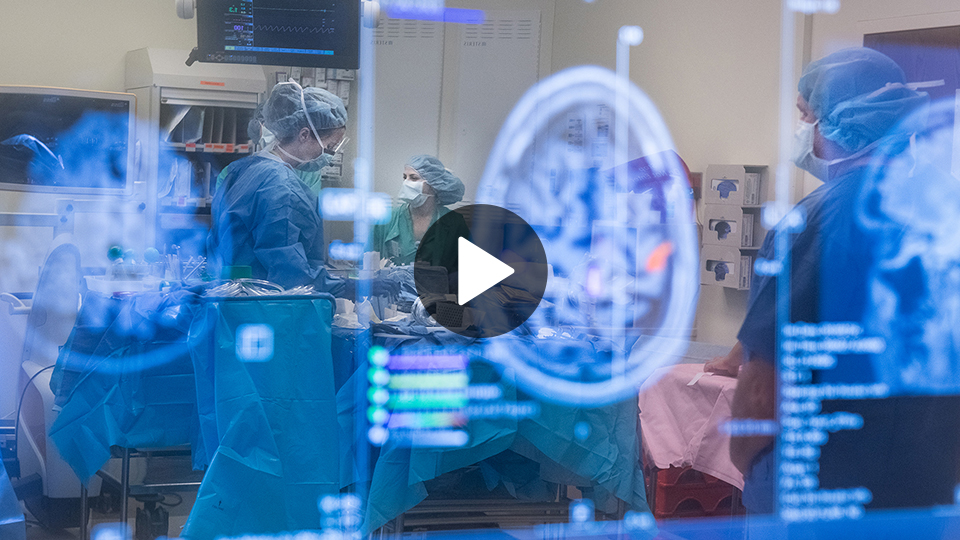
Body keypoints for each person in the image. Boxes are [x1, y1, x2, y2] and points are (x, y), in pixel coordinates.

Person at [704, 48, 930, 512]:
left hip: (816, 491)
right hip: (921, 487)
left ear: (843, 122)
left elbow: (765, 391)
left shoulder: (816, 222)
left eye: (806, 115)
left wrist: (743, 460)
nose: (800, 130)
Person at [208, 81, 346, 291]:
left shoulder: (240, 170)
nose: (329, 155)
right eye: (329, 146)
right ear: (304, 135)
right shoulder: (280, 186)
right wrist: (348, 287)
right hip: (264, 306)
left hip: (230, 298)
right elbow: (289, 271)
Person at [370, 155, 469, 269]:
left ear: (433, 185)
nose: (406, 183)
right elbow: (366, 262)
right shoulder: (387, 219)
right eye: (404, 177)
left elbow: (465, 269)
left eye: (413, 178)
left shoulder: (454, 223)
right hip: (392, 286)